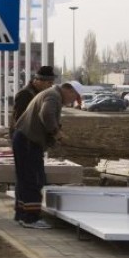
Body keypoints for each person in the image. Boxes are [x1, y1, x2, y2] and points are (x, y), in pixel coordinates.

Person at [11, 81, 83, 229]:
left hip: (24, 139)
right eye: (73, 97)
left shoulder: (51, 94)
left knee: (24, 178)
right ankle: (30, 218)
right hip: (29, 141)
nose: (71, 101)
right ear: (69, 91)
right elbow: (46, 113)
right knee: (34, 179)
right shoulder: (53, 96)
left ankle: (22, 214)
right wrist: (56, 133)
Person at [10, 65, 57, 137]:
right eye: (49, 82)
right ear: (38, 81)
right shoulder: (25, 94)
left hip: (33, 137)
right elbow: (19, 118)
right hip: (24, 137)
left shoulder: (39, 94)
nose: (51, 86)